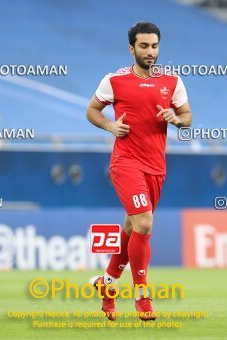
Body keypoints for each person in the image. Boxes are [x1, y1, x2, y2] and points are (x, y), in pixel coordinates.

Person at [86, 22, 192, 321]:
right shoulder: (114, 80)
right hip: (126, 162)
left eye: (154, 46)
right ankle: (142, 295)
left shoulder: (172, 82)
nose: (150, 52)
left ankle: (106, 284)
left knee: (133, 228)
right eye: (144, 46)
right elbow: (92, 110)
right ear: (131, 48)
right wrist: (109, 125)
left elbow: (188, 118)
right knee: (145, 223)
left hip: (156, 166)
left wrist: (176, 117)